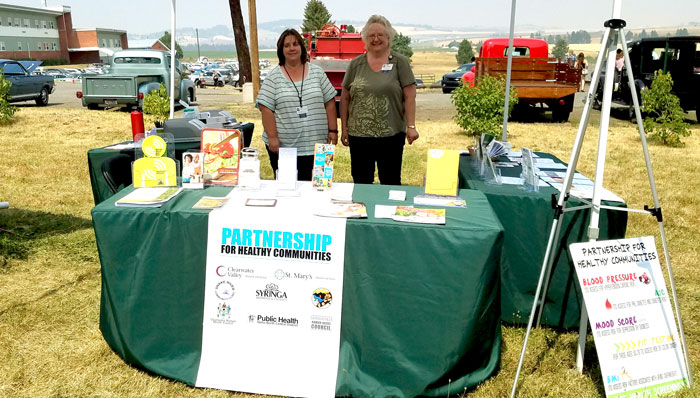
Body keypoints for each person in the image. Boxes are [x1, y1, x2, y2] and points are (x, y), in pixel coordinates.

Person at [340, 15, 418, 185]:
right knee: (361, 181)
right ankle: (362, 211)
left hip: (391, 135)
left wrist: (411, 126)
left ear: (389, 37)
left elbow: (410, 96)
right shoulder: (355, 65)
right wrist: (344, 128)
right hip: (359, 136)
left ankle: (388, 212)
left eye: (380, 35)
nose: (376, 39)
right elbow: (345, 98)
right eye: (371, 36)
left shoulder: (400, 62)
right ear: (365, 39)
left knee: (390, 182)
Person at [256, 28, 338, 181]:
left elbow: (330, 102)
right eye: (287, 45)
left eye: (295, 44)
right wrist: (272, 137)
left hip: (320, 147)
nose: (292, 48)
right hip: (285, 148)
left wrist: (333, 130)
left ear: (301, 47)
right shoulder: (273, 77)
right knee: (288, 189)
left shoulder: (317, 72)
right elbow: (265, 108)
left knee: (321, 186)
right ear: (281, 50)